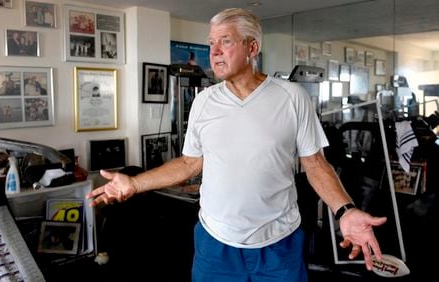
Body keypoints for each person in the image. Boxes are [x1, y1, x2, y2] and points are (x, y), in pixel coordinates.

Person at [87, 8, 387, 281]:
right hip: (215, 244)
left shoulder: (292, 96)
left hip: (278, 244)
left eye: (226, 41)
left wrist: (345, 210)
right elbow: (189, 163)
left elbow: (315, 163)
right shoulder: (204, 101)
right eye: (211, 43)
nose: (214, 52)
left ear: (252, 47)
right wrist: (135, 183)